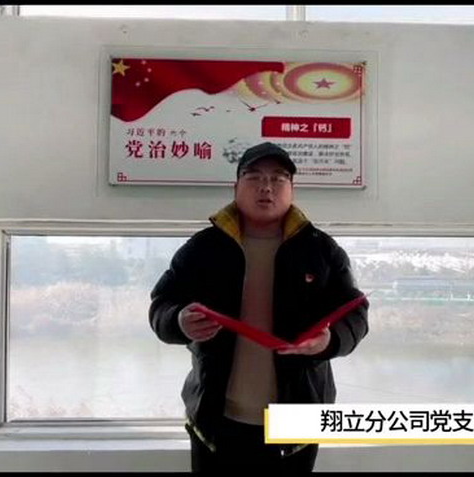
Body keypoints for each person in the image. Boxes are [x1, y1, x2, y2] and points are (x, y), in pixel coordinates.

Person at [149, 141, 369, 472]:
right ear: (235, 187)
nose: (266, 187)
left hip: (296, 422)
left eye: (278, 179)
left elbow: (355, 313)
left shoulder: (321, 250)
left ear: (292, 190)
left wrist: (330, 340)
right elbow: (161, 305)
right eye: (254, 177)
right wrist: (179, 320)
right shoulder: (203, 248)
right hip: (216, 417)